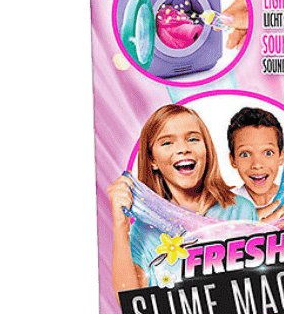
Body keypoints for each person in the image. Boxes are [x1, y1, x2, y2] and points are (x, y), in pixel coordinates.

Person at [107, 104, 256, 293]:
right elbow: (129, 298)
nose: (183, 149)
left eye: (193, 139)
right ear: (152, 161)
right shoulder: (144, 231)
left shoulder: (241, 209)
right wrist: (120, 225)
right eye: (167, 143)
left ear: (206, 149)